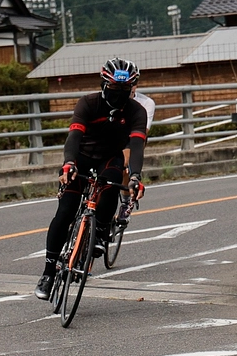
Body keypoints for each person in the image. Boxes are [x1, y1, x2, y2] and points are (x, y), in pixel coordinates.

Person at [35, 58, 147, 300]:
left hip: (110, 158)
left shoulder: (137, 111)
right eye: (114, 89)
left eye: (124, 90)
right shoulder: (88, 103)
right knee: (64, 213)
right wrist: (69, 163)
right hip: (82, 157)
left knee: (110, 184)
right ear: (104, 85)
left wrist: (136, 176)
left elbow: (137, 146)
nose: (119, 94)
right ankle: (47, 273)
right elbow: (73, 137)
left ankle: (100, 233)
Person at [116, 89, 155, 223]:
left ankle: (126, 203)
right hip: (112, 136)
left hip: (133, 138)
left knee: (125, 162)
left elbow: (143, 131)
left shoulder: (146, 103)